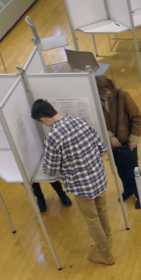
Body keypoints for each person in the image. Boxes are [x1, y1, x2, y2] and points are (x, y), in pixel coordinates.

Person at [31, 99, 114, 266]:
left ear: (43, 119)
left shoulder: (54, 137)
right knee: (102, 211)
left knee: (92, 220)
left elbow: (51, 169)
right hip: (99, 178)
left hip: (82, 187)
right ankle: (106, 241)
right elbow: (102, 148)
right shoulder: (81, 122)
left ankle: (105, 254)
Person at [96, 75, 141, 210]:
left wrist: (134, 138)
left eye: (108, 91)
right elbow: (97, 121)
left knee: (133, 170)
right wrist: (109, 136)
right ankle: (128, 190)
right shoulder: (95, 99)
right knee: (120, 170)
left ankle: (140, 194)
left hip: (128, 143)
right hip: (112, 145)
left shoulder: (123, 95)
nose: (107, 95)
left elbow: (137, 117)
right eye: (103, 93)